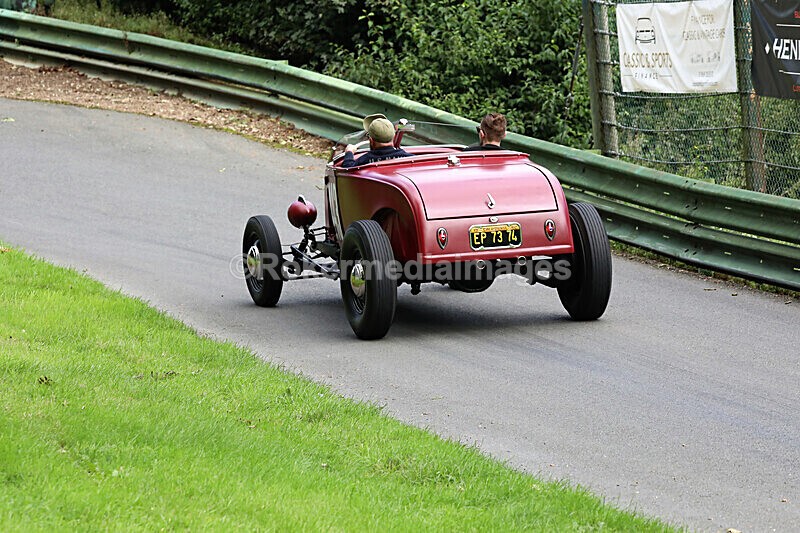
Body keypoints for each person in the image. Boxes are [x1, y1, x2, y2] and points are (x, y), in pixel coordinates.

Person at [341, 114, 412, 168]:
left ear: (371, 140)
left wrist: (349, 152)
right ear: (393, 137)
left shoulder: (364, 160)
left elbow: (347, 168)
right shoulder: (409, 158)